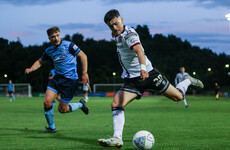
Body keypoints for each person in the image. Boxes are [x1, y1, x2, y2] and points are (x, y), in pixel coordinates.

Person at [98, 9, 204, 148]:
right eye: (111, 26)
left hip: (148, 75)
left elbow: (139, 51)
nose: (115, 28)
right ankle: (117, 138)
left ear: (122, 20)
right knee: (116, 103)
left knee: (177, 97)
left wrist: (142, 68)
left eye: (116, 24)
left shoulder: (129, 35)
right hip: (133, 81)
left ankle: (188, 80)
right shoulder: (117, 33)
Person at [25, 26, 89, 133]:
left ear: (60, 34)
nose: (56, 38)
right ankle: (51, 127)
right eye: (53, 37)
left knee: (62, 110)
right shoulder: (49, 51)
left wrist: (84, 73)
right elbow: (40, 61)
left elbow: (83, 56)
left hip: (70, 81)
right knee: (47, 102)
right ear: (49, 39)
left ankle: (81, 104)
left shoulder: (69, 45)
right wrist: (31, 69)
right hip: (56, 79)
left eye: (58, 35)